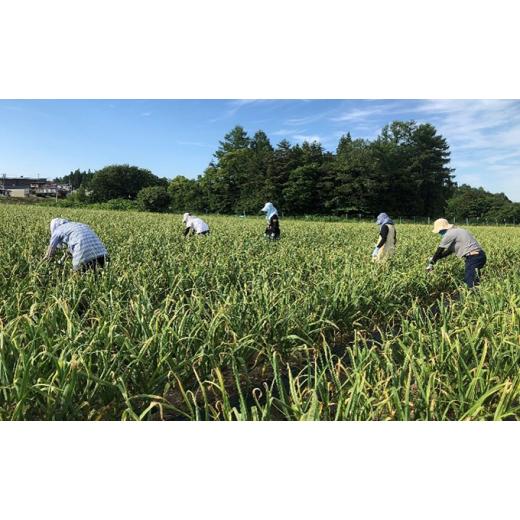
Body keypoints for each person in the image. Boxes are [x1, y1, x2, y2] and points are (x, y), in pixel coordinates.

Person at [426, 218, 486, 288]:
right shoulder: (459, 231)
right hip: (479, 256)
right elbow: (448, 252)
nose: (439, 233)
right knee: (475, 279)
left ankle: (473, 296)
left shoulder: (448, 235)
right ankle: (478, 295)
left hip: (473, 257)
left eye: (439, 231)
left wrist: (431, 263)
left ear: (442, 229)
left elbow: (439, 250)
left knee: (469, 281)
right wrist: (436, 258)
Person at [44, 218, 109, 272]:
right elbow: (69, 253)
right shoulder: (80, 225)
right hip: (103, 254)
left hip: (84, 254)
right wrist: (61, 261)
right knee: (98, 276)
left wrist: (43, 264)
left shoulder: (57, 230)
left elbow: (50, 253)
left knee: (76, 277)